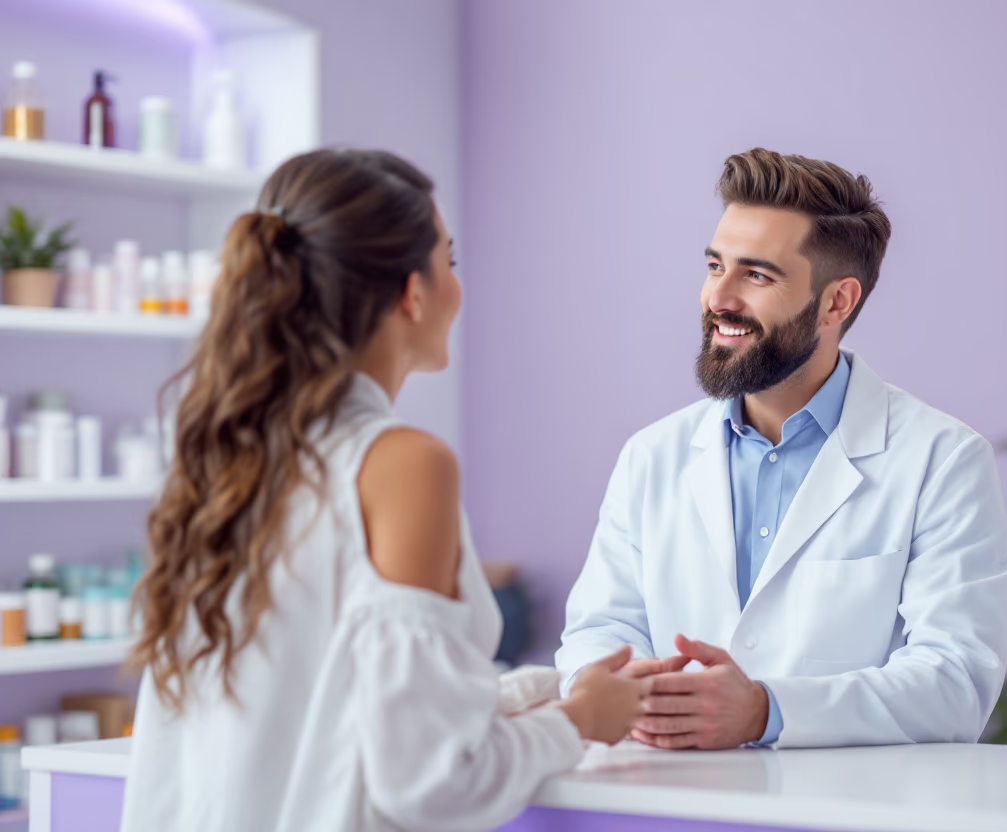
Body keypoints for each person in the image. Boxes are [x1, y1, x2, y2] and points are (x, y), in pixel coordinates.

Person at [121, 149, 645, 832]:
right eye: (449, 262)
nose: (459, 287)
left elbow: (345, 706)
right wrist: (581, 721)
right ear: (413, 292)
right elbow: (430, 780)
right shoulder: (402, 465)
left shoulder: (223, 464)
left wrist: (554, 687)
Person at [557, 148, 1007, 750]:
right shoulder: (652, 456)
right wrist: (624, 692)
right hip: (667, 802)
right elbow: (601, 628)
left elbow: (955, 683)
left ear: (836, 302)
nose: (718, 298)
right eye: (715, 265)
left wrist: (766, 711)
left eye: (757, 275)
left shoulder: (944, 462)